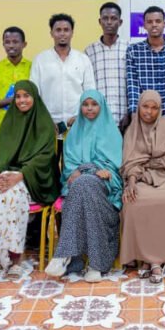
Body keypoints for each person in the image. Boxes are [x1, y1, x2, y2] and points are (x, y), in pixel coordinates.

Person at [0, 80, 59, 280]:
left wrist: (21, 175)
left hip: (35, 180)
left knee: (11, 195)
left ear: (34, 97)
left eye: (26, 96)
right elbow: (1, 156)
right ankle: (12, 261)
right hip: (9, 179)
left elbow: (45, 158)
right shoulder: (8, 122)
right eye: (18, 96)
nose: (21, 100)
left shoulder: (44, 122)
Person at [45, 90, 123, 283]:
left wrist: (90, 169)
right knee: (83, 185)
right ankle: (97, 264)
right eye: (85, 104)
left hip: (104, 188)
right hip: (82, 186)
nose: (89, 108)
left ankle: (64, 255)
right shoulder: (73, 134)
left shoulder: (112, 132)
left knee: (84, 183)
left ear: (101, 106)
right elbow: (70, 170)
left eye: (94, 104)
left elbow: (114, 167)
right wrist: (91, 170)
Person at [120, 90, 165, 282]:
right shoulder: (132, 130)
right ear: (139, 107)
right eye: (145, 106)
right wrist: (132, 182)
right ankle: (147, 259)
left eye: (154, 108)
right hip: (141, 179)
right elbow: (130, 163)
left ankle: (155, 261)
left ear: (160, 109)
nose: (149, 112)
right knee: (134, 200)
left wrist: (147, 163)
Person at [31, 13, 96, 142]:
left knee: (74, 162)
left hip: (77, 126)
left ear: (72, 33)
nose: (62, 34)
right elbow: (34, 94)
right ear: (51, 33)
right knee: (48, 162)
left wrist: (80, 117)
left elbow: (90, 93)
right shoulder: (40, 60)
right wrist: (45, 119)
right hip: (48, 126)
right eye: (58, 30)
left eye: (66, 30)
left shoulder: (83, 59)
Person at [126, 6, 165, 122]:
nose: (154, 25)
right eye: (150, 22)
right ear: (144, 25)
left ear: (164, 24)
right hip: (143, 116)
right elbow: (133, 86)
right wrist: (134, 116)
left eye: (158, 21)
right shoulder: (134, 51)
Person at [0, 26, 31, 144]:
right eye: (7, 42)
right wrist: (9, 101)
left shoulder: (32, 68)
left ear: (24, 44)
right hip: (4, 131)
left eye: (15, 42)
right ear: (3, 44)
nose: (11, 46)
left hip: (29, 130)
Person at [85, 2, 129, 128]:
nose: (109, 22)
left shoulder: (129, 49)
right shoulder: (89, 51)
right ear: (100, 21)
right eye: (105, 18)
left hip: (125, 119)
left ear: (120, 22)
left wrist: (129, 113)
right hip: (98, 119)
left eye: (113, 18)